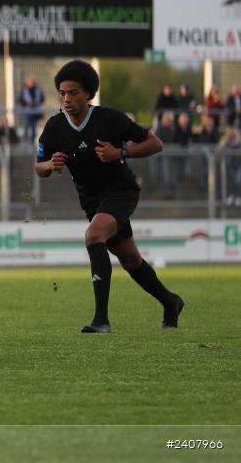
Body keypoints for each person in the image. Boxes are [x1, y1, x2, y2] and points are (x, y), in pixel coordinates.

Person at [35, 59, 183, 333]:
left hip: (120, 191)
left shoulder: (109, 119)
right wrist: (50, 165)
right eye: (63, 93)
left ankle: (101, 320)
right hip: (91, 200)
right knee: (130, 259)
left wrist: (121, 153)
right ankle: (170, 302)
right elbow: (39, 166)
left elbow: (155, 143)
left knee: (93, 236)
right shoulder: (55, 127)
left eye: (73, 92)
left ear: (88, 93)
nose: (67, 98)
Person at [19, 75, 45, 143]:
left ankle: (32, 142)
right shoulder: (24, 90)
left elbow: (42, 99)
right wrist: (28, 103)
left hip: (35, 113)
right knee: (26, 128)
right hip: (27, 113)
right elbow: (21, 100)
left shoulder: (38, 89)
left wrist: (36, 102)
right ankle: (25, 142)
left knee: (34, 128)